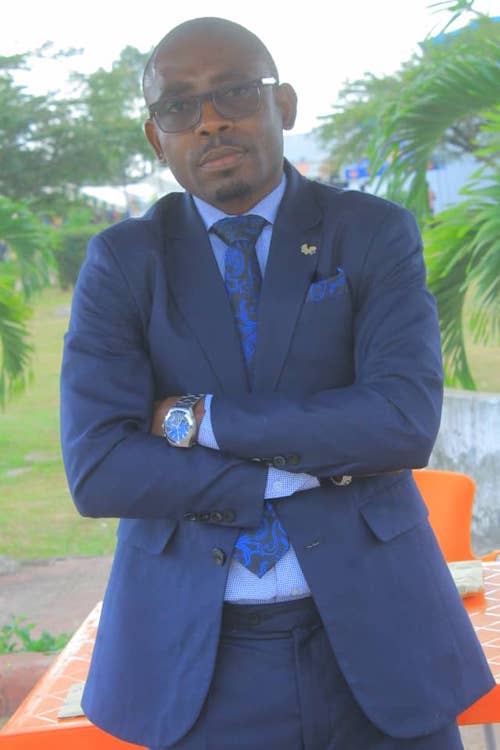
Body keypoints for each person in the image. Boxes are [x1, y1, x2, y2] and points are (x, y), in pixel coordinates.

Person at [60, 17, 494, 750]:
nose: (211, 121)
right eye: (180, 106)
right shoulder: (124, 261)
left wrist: (202, 420)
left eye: (233, 92)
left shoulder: (372, 232)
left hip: (382, 640)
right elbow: (100, 467)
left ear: (283, 104)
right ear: (156, 137)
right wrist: (285, 476)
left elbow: (401, 421)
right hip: (199, 662)